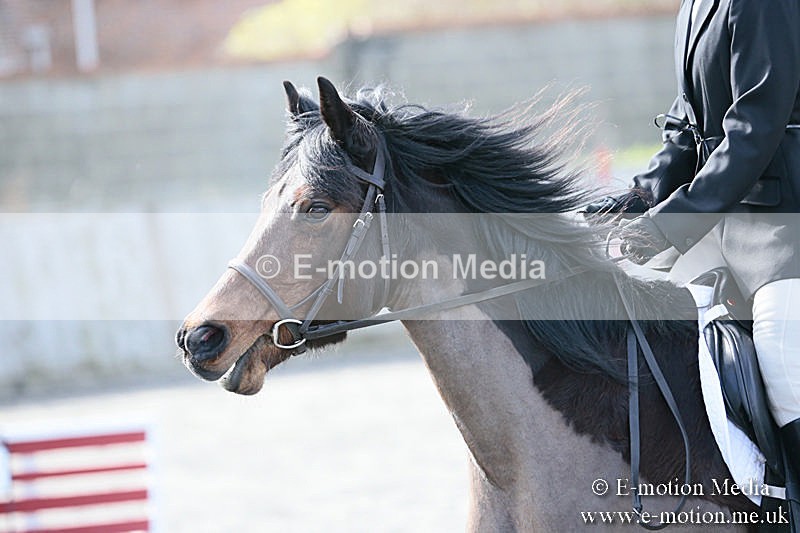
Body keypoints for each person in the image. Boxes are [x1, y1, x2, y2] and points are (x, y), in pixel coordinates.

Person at [586, 0, 800, 474]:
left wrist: (671, 224)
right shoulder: (697, 5)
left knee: (785, 367)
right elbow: (686, 127)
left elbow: (754, 129)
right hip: (723, 227)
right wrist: (636, 200)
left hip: (784, 234)